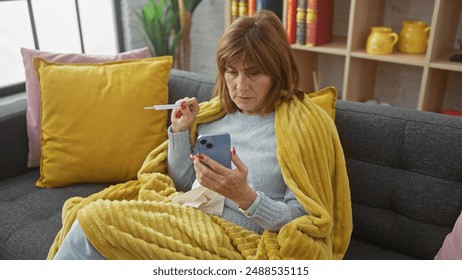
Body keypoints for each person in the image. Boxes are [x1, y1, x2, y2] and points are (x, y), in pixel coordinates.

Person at [52, 10, 352, 260]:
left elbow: (306, 221)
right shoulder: (216, 114)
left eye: (253, 73)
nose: (239, 86)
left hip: (237, 240)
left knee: (94, 220)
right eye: (231, 72)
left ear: (277, 71)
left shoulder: (302, 127)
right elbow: (183, 182)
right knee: (89, 218)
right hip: (189, 218)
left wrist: (247, 198)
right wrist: (180, 134)